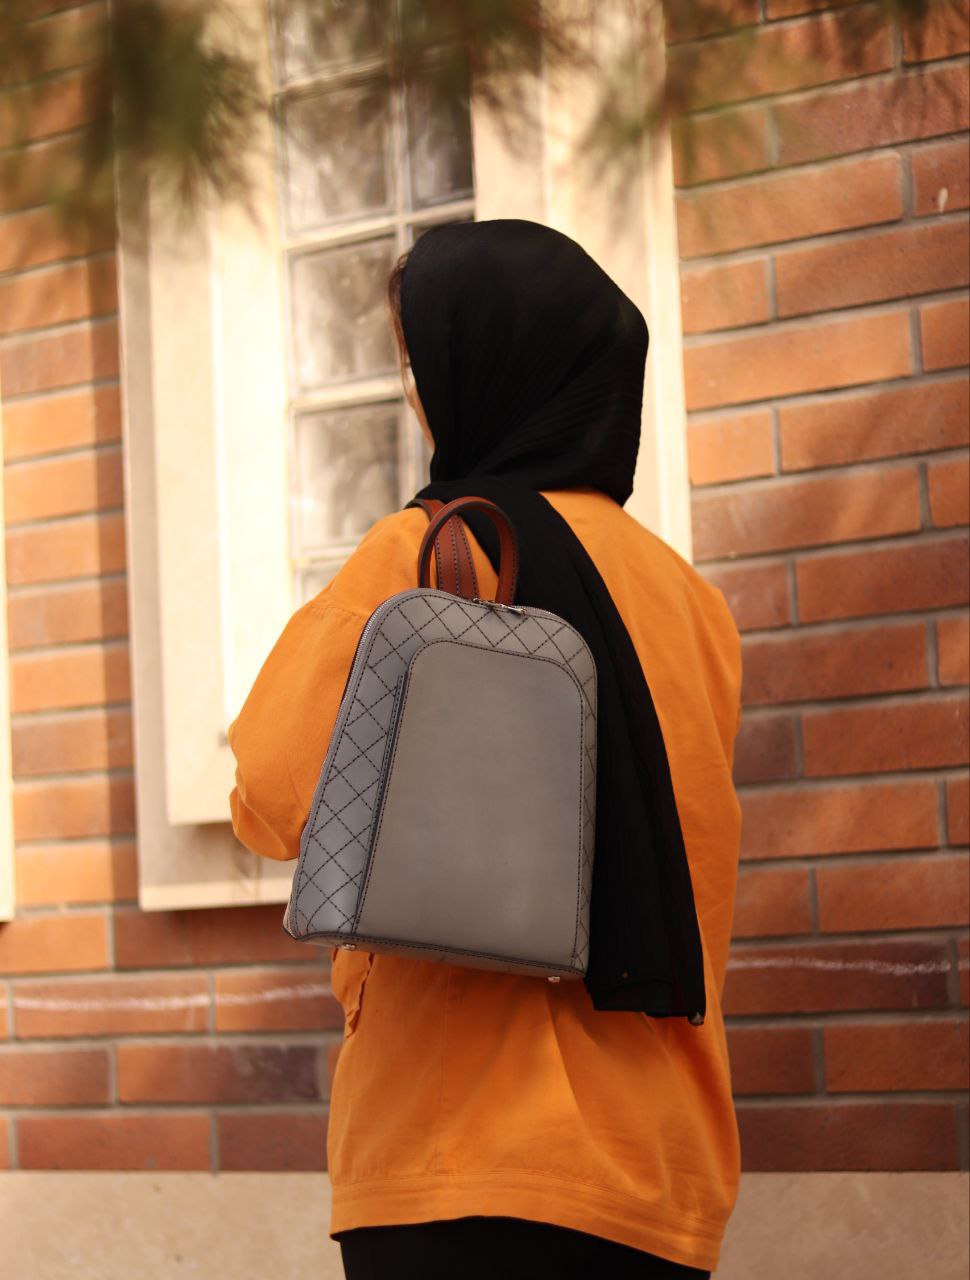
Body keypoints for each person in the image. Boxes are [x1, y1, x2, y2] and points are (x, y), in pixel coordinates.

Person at [228, 220, 743, 1279]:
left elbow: (273, 795)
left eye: (420, 364)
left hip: (456, 1158)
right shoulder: (695, 606)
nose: (418, 394)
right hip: (661, 1170)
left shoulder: (426, 551)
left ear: (482, 372)